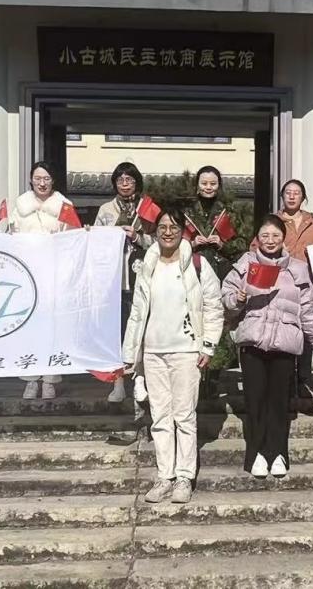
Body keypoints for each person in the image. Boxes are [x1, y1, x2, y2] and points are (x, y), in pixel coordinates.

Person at [122, 208, 223, 505]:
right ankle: (164, 476)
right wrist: (131, 352)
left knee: (184, 416)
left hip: (186, 351)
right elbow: (137, 312)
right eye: (163, 227)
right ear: (155, 231)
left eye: (174, 227)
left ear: (183, 231)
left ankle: (184, 477)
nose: (168, 232)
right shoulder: (148, 264)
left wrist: (208, 346)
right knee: (160, 417)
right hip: (153, 351)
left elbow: (213, 307)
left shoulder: (197, 264)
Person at [223, 215, 313, 478]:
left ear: (283, 238)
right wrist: (237, 298)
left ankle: (278, 453)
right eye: (265, 236)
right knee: (255, 400)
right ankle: (257, 453)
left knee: (279, 401)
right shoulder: (246, 263)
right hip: (253, 343)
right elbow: (225, 296)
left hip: (284, 344)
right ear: (257, 239)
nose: (270, 241)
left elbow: (308, 309)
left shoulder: (298, 269)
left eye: (275, 236)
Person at [250, 179, 313, 398]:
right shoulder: (272, 222)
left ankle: (303, 379)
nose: (292, 196)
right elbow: (254, 248)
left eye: (297, 193)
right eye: (288, 192)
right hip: (277, 286)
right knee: (282, 333)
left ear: (303, 197)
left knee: (306, 331)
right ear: (282, 196)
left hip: (305, 285)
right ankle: (283, 381)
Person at [9, 161, 78, 399]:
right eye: (37, 178)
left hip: (55, 274)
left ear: (53, 181)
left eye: (46, 178)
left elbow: (73, 239)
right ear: (31, 180)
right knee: (29, 325)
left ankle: (50, 379)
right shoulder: (20, 205)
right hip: (27, 274)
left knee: (53, 327)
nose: (42, 183)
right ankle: (30, 379)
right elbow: (11, 235)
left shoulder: (64, 206)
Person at [93, 161, 155, 403]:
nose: (125, 184)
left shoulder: (148, 208)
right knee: (116, 332)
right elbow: (96, 242)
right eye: (120, 180)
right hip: (115, 281)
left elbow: (161, 240)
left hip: (142, 276)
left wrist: (138, 237)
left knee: (142, 331)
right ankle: (117, 382)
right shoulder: (106, 210)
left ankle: (140, 378)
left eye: (129, 179)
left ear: (137, 182)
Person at [185, 166, 243, 283]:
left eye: (213, 184)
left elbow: (242, 243)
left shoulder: (229, 211)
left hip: (221, 270)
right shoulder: (186, 211)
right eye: (204, 183)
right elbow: (174, 241)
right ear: (197, 185)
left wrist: (222, 245)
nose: (208, 187)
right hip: (193, 268)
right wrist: (192, 244)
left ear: (219, 186)